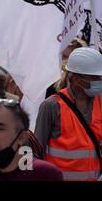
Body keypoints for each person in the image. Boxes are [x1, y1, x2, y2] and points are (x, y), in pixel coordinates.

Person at [35, 47, 102, 181]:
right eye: (95, 78)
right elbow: (34, 152)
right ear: (76, 79)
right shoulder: (51, 106)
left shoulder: (100, 102)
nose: (99, 81)